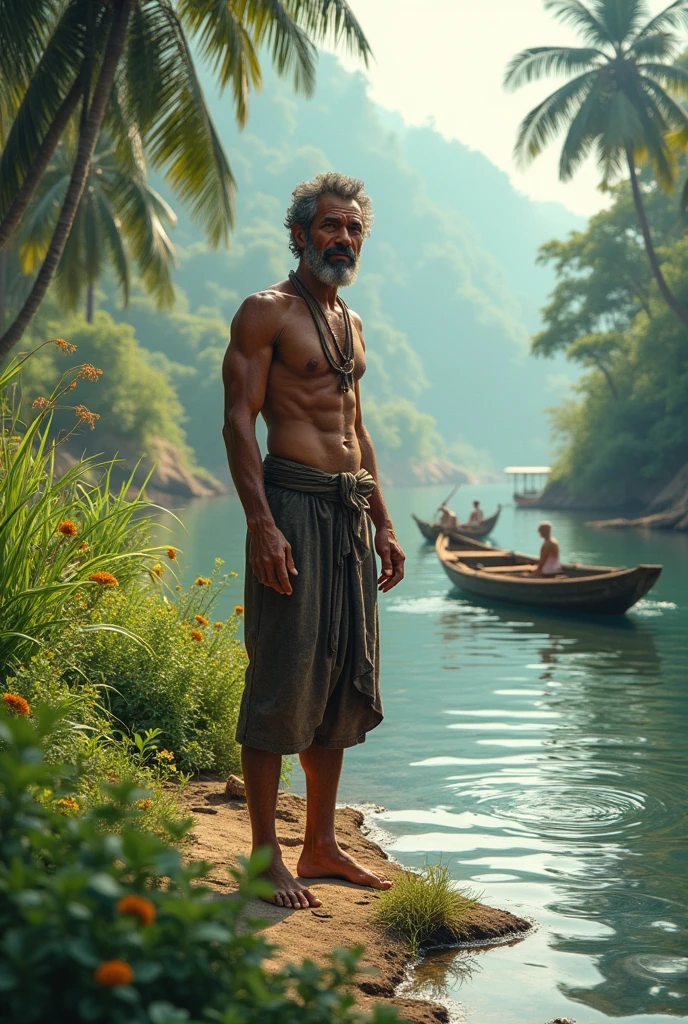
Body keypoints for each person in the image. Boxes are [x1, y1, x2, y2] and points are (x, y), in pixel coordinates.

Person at [222, 173, 405, 911]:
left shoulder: (351, 322)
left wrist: (385, 522)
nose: (345, 239)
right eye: (331, 226)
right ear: (300, 233)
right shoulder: (266, 311)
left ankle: (321, 843)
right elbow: (239, 420)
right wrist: (261, 523)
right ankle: (264, 858)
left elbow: (356, 430)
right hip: (292, 506)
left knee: (338, 677)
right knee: (282, 673)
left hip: (347, 514)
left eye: (354, 228)